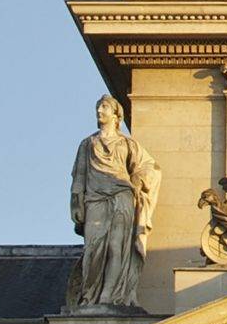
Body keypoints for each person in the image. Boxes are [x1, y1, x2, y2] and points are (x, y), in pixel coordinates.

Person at [67, 96, 161, 311]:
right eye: (98, 106)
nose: (99, 110)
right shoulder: (88, 144)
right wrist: (76, 203)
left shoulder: (128, 144)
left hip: (122, 196)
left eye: (104, 107)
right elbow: (79, 176)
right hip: (95, 198)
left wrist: (138, 178)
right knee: (93, 248)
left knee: (116, 246)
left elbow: (150, 167)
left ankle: (110, 296)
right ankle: (91, 296)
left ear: (117, 115)